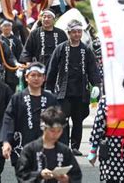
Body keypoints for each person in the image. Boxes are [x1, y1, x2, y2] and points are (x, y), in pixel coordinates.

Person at [47, 19, 101, 156]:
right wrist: (48, 89)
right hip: (63, 91)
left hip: (81, 91)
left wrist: (96, 85)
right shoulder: (60, 48)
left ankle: (75, 146)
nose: (77, 34)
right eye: (74, 32)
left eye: (79, 32)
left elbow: (93, 70)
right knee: (63, 119)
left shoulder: (86, 50)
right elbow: (52, 70)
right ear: (69, 33)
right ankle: (64, 146)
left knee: (78, 120)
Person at [1, 62, 58, 170]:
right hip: (23, 148)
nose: (36, 78)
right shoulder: (17, 98)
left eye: (39, 75)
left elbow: (58, 124)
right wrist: (6, 142)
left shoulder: (51, 99)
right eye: (33, 75)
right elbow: (9, 120)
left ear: (44, 78)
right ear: (26, 77)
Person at [16, 106, 82, 182]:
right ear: (44, 128)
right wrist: (39, 174)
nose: (56, 134)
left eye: (59, 131)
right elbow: (21, 174)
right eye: (52, 131)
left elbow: (76, 174)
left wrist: (67, 179)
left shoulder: (64, 151)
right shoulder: (30, 149)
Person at [0, 20, 24, 92]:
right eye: (5, 26)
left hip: (13, 68)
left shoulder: (16, 40)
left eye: (9, 26)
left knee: (11, 90)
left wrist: (19, 65)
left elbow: (20, 54)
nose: (7, 28)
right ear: (1, 28)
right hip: (1, 68)